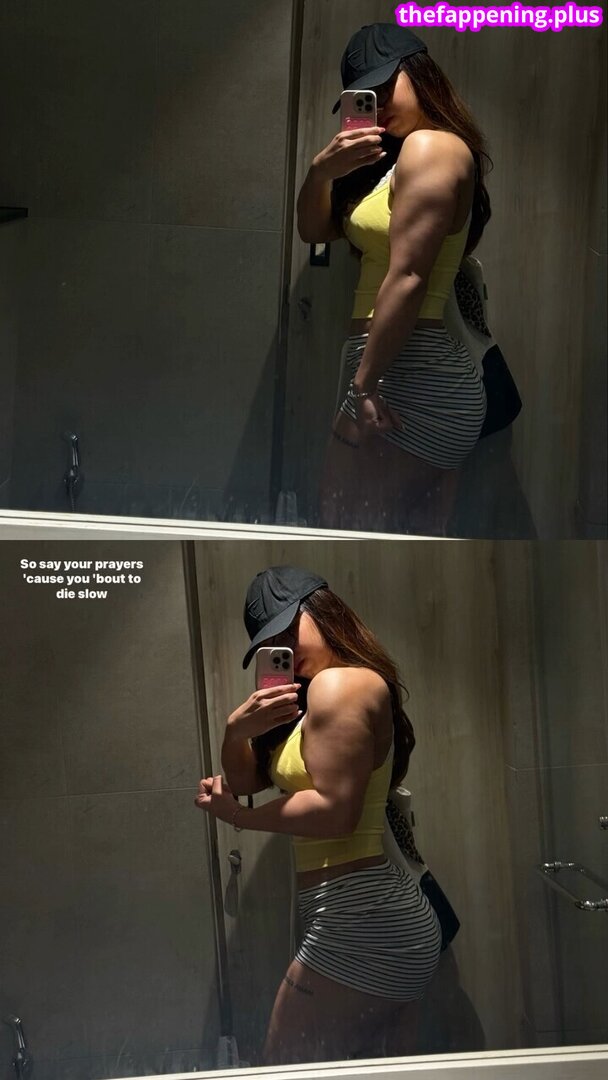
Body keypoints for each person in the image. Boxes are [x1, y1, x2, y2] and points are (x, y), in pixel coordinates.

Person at [195, 566, 441, 1065]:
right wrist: (236, 732)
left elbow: (334, 813)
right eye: (272, 641)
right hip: (367, 917)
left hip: (362, 920)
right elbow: (245, 781)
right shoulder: (312, 696)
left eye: (289, 628)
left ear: (322, 610)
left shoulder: (338, 685)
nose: (284, 645)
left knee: (282, 1066)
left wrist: (237, 818)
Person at [296, 24, 492, 535]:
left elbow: (408, 276)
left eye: (385, 87)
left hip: (409, 373)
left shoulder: (430, 147)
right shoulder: (392, 159)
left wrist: (361, 388)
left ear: (420, 74)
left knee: (343, 524)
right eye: (366, 95)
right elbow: (313, 230)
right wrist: (322, 172)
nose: (378, 105)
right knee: (373, 528)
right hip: (388, 370)